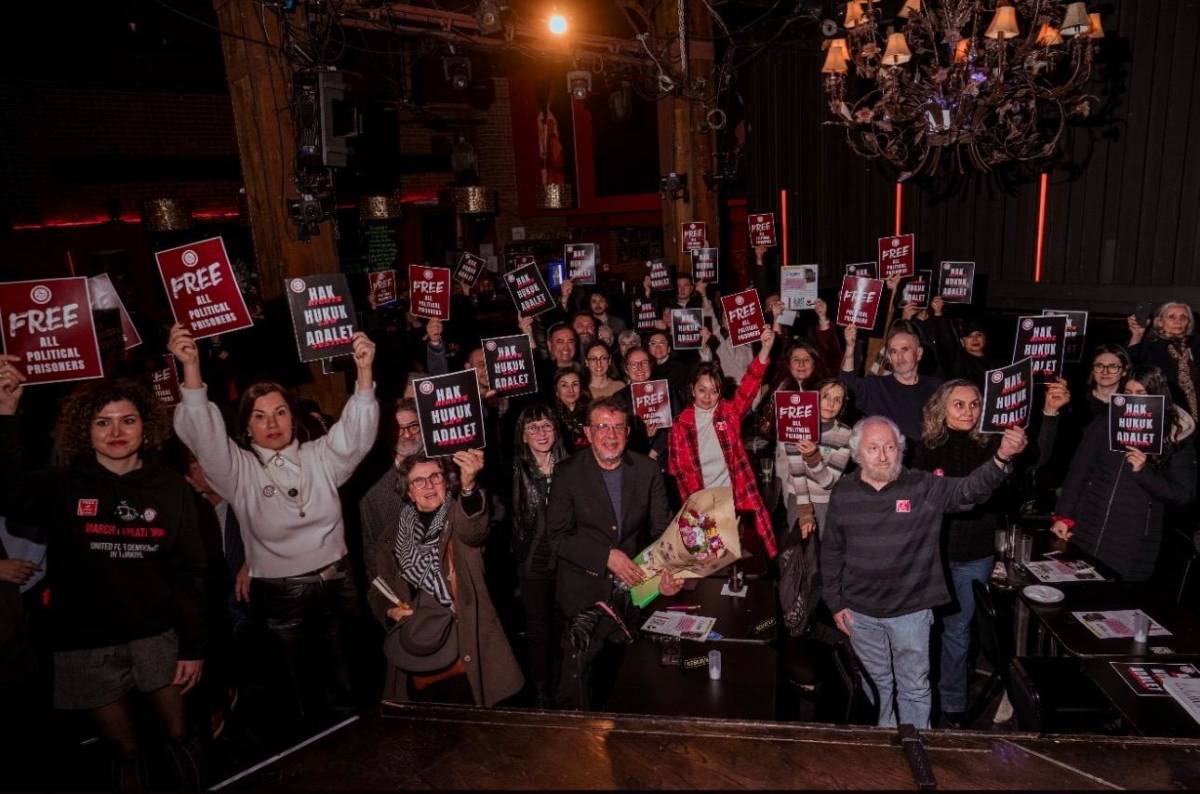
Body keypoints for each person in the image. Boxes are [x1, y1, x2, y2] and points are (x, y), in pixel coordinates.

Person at [0, 366, 207, 790]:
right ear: (85, 430)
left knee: (178, 737)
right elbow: (9, 496)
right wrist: (6, 413)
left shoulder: (170, 486)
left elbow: (192, 571)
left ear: (145, 427)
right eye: (102, 422)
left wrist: (193, 645)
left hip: (157, 638)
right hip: (85, 644)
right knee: (125, 752)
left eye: (127, 420)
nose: (116, 431)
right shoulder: (60, 484)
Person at [169, 323, 379, 722]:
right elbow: (204, 435)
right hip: (281, 597)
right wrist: (192, 368)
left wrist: (364, 373)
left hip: (339, 585)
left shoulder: (321, 456)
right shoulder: (238, 471)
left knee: (352, 686)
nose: (272, 423)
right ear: (246, 427)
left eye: (280, 412)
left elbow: (357, 433)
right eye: (260, 416)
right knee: (300, 695)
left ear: (293, 416)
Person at [821, 415, 1027, 729]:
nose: (883, 455)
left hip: (911, 612)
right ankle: (886, 746)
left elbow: (968, 491)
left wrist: (1000, 459)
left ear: (900, 449)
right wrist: (835, 602)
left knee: (914, 686)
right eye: (873, 447)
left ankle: (916, 749)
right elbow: (832, 551)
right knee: (875, 685)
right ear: (857, 453)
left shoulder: (921, 485)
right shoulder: (844, 493)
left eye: (890, 446)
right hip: (860, 613)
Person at [910, 378, 1068, 725]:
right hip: (931, 555)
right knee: (922, 630)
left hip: (975, 555)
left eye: (974, 404)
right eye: (959, 404)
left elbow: (1036, 460)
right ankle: (917, 699)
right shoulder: (923, 449)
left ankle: (951, 704)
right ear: (941, 408)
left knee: (958, 629)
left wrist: (1050, 414)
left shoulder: (994, 445)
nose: (968, 411)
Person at [547, 397, 680, 709]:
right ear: (589, 433)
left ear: (628, 431)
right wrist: (605, 555)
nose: (611, 434)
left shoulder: (647, 470)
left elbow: (662, 532)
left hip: (630, 595)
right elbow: (556, 537)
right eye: (602, 427)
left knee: (626, 688)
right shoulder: (567, 472)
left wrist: (666, 576)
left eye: (618, 426)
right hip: (582, 599)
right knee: (579, 691)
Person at [367, 450, 523, 706]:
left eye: (435, 476)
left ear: (446, 480)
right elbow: (377, 590)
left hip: (463, 643)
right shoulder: (391, 535)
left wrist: (469, 486)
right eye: (419, 480)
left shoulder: (457, 515)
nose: (428, 485)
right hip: (418, 646)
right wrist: (390, 612)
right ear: (408, 491)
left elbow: (473, 530)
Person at [1052, 365, 1197, 583]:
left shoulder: (1177, 437)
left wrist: (1144, 473)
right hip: (1087, 526)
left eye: (1141, 394)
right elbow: (1079, 471)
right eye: (1128, 394)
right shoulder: (1106, 422)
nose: (1134, 400)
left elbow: (1183, 495)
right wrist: (1064, 516)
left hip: (1132, 541)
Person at [667, 325, 779, 560]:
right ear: (692, 390)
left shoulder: (729, 412)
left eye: (714, 391)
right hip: (702, 504)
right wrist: (695, 514)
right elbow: (678, 474)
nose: (708, 397)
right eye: (702, 390)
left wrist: (765, 350)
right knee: (712, 563)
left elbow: (749, 387)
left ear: (721, 392)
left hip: (737, 496)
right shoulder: (680, 425)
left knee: (751, 559)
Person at [510, 404, 567, 707]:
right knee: (538, 630)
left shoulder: (570, 465)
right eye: (533, 428)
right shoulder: (514, 468)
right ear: (523, 435)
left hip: (567, 560)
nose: (541, 433)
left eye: (546, 426)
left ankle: (564, 686)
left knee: (565, 625)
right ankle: (542, 691)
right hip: (533, 562)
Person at [775, 378, 853, 540]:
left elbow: (829, 483)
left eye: (837, 400)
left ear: (842, 405)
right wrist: (804, 509)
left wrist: (813, 457)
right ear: (814, 397)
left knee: (822, 550)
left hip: (825, 501)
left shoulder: (845, 434)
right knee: (797, 550)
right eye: (826, 396)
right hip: (797, 495)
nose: (831, 404)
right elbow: (797, 471)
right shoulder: (796, 422)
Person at [360, 398, 425, 590]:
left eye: (413, 426)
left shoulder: (449, 470)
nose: (406, 435)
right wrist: (387, 602)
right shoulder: (373, 489)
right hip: (404, 589)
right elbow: (372, 551)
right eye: (397, 428)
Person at [840, 323, 943, 444]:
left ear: (919, 353)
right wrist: (850, 347)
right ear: (888, 357)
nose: (899, 356)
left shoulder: (937, 388)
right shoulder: (876, 387)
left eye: (905, 349)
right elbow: (846, 384)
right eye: (893, 351)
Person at [1128, 302, 1200, 419]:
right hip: (1161, 413)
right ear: (1160, 322)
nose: (1178, 321)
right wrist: (1137, 335)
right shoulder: (1149, 345)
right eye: (1172, 317)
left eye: (1183, 317)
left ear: (1189, 323)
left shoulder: (1195, 345)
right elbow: (1130, 366)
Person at [922, 298, 1003, 388]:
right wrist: (938, 313)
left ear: (985, 339)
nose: (975, 339)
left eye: (979, 335)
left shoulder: (996, 363)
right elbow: (945, 341)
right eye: (969, 336)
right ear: (962, 341)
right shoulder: (957, 360)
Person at [552, 364, 590, 453]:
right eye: (564, 385)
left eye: (575, 384)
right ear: (557, 391)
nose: (571, 390)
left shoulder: (591, 413)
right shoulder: (551, 417)